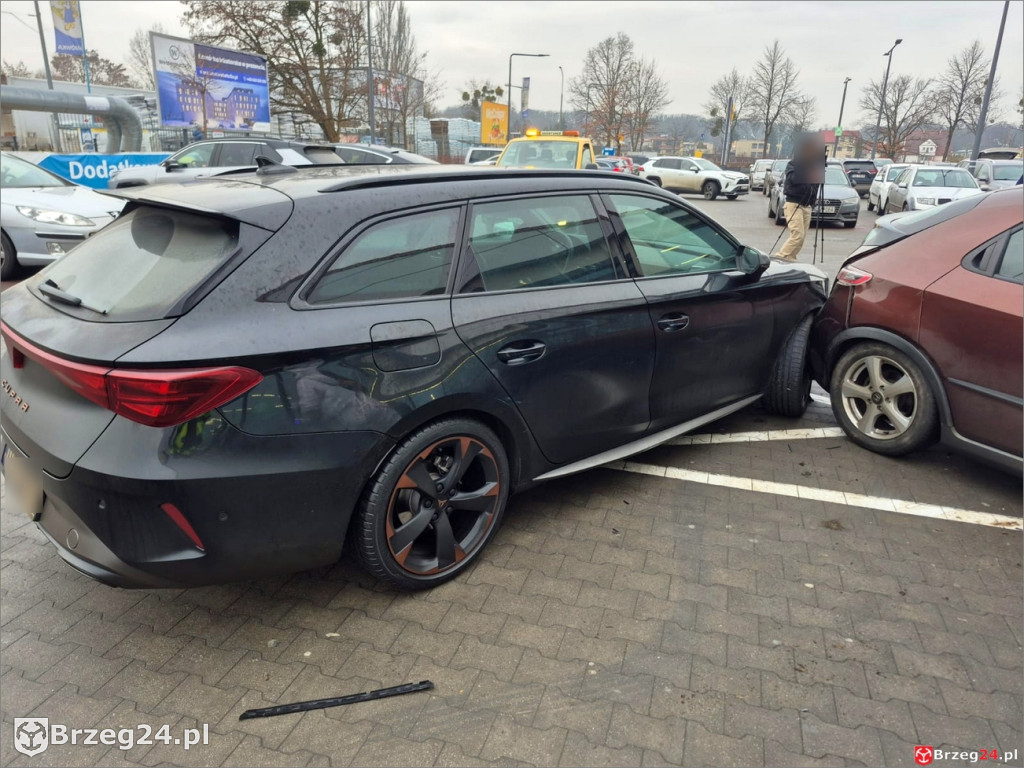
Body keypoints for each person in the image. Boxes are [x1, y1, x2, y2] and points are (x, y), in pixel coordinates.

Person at [776, 135, 825, 262]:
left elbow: (816, 185)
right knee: (797, 235)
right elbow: (793, 179)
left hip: (807, 205)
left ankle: (791, 258)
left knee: (801, 238)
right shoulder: (794, 164)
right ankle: (780, 257)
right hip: (793, 203)